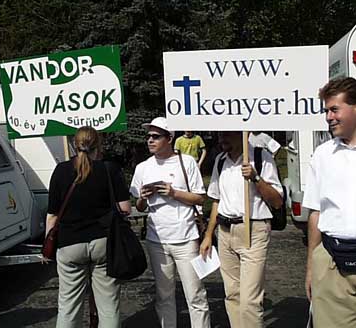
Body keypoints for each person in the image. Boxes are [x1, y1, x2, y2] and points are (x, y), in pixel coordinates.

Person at [46, 126, 131, 328]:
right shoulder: (109, 170)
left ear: (74, 145)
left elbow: (52, 214)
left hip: (69, 244)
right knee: (109, 307)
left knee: (68, 307)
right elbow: (125, 209)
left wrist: (47, 244)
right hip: (103, 242)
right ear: (98, 145)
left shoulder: (60, 170)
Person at [130, 117, 211, 328]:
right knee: (163, 295)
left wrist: (173, 192)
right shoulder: (143, 168)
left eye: (155, 136)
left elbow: (200, 198)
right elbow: (139, 207)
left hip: (186, 239)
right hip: (157, 241)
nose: (150, 140)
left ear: (169, 139)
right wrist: (142, 197)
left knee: (195, 295)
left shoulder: (187, 162)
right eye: (148, 136)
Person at [200, 131, 283, 328]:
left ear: (242, 134)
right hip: (225, 232)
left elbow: (278, 201)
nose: (222, 139)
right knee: (232, 295)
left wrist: (255, 178)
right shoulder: (221, 161)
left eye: (227, 134)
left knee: (249, 301)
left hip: (253, 230)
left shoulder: (261, 157)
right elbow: (216, 201)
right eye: (220, 135)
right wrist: (208, 235)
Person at [303, 77, 356, 328]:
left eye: (334, 109)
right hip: (333, 263)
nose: (328, 117)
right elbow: (315, 213)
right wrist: (313, 268)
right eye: (326, 111)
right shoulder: (323, 155)